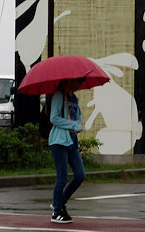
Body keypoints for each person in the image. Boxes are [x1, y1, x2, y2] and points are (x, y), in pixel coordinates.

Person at [49, 77, 86, 224]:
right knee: (62, 177)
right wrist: (72, 125)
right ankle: (57, 212)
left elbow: (78, 116)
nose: (80, 84)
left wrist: (77, 124)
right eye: (79, 81)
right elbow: (54, 118)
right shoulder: (59, 95)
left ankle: (59, 202)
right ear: (69, 80)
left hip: (71, 141)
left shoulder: (74, 98)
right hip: (58, 140)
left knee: (80, 175)